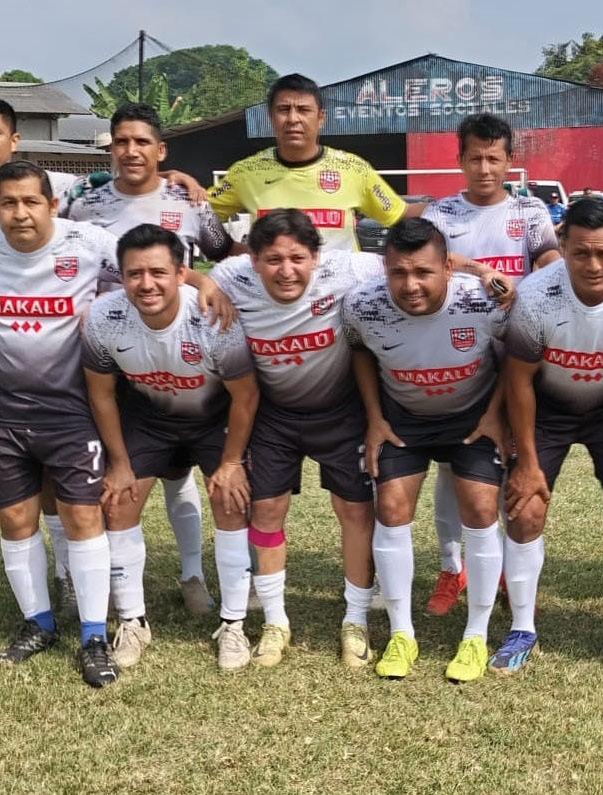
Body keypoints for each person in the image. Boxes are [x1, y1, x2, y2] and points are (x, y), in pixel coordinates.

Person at [0, 96, 206, 614]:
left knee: (57, 469)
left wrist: (167, 177)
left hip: (56, 360)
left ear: (15, 140)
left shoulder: (60, 186)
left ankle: (68, 574)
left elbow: (123, 174)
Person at [0, 160, 225, 688]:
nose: (20, 213)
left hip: (72, 410)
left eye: (31, 202)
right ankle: (37, 622)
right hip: (4, 411)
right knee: (16, 520)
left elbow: (146, 263)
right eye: (8, 203)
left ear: (52, 205)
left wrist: (198, 280)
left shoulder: (87, 243)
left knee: (83, 518)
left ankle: (93, 635)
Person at [66, 102, 236, 619]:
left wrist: (205, 282)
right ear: (110, 148)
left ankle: (192, 574)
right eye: (121, 141)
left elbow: (222, 252)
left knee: (179, 473)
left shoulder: (187, 200)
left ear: (161, 150)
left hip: (180, 353)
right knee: (122, 473)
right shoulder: (85, 204)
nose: (131, 150)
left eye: (142, 142)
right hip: (115, 354)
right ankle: (99, 582)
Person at [498, 197, 603, 682]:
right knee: (524, 509)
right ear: (563, 246)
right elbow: (518, 381)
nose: (593, 265)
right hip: (548, 406)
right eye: (580, 253)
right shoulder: (535, 295)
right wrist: (526, 463)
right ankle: (522, 628)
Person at [206, 210, 385, 670]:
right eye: (273, 260)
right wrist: (199, 281)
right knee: (266, 510)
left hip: (341, 412)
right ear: (253, 261)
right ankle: (275, 621)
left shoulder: (351, 267)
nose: (286, 271)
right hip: (273, 416)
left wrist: (481, 272)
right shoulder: (231, 275)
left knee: (355, 511)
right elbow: (184, 273)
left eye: (297, 259)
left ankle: (356, 619)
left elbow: (416, 262)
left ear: (316, 257)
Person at [80, 224, 258, 669]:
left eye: (158, 272)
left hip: (213, 418)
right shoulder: (103, 317)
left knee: (230, 500)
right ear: (121, 277)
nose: (146, 284)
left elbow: (245, 397)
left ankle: (233, 624)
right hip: (149, 419)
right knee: (118, 503)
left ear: (181, 273)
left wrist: (232, 462)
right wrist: (119, 463)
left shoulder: (213, 317)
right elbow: (101, 395)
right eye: (134, 274)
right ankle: (133, 621)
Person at [343, 218, 508, 682]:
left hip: (472, 415)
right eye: (398, 272)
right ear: (385, 269)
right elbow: (359, 352)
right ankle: (402, 633)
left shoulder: (482, 302)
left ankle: (476, 635)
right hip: (404, 417)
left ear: (448, 268)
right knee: (391, 507)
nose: (410, 285)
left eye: (423, 272)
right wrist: (374, 418)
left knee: (481, 507)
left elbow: (514, 356)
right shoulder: (362, 305)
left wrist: (495, 414)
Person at [418, 113, 560, 618]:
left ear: (509, 160)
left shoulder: (529, 210)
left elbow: (548, 260)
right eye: (474, 158)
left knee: (508, 458)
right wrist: (481, 270)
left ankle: (499, 567)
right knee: (452, 463)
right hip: (457, 353)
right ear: (460, 160)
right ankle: (451, 567)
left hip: (516, 355)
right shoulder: (441, 213)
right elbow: (431, 262)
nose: (484, 168)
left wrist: (540, 281)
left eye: (493, 158)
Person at [206, 74, 416, 254]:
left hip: (339, 288)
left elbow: (401, 215)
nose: (292, 119)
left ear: (321, 118)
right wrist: (230, 250)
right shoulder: (246, 172)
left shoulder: (354, 169)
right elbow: (199, 216)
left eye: (303, 110)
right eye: (283, 109)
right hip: (274, 288)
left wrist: (442, 207)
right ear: (271, 117)